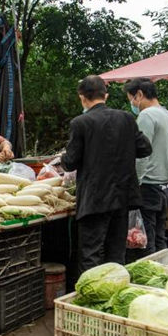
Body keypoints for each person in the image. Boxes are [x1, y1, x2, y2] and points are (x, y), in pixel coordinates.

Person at [62, 75, 151, 272]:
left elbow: (69, 163)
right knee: (116, 253)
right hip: (122, 197)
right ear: (106, 96)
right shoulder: (127, 118)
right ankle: (115, 292)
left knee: (91, 255)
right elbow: (145, 148)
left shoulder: (81, 123)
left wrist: (63, 156)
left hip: (95, 199)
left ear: (82, 97)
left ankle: (91, 297)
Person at [124, 78, 168, 254]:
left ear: (139, 94)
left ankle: (151, 276)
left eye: (131, 98)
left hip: (148, 186)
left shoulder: (146, 115)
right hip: (165, 185)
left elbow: (141, 155)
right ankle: (162, 274)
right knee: (160, 236)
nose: (132, 104)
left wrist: (135, 183)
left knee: (147, 239)